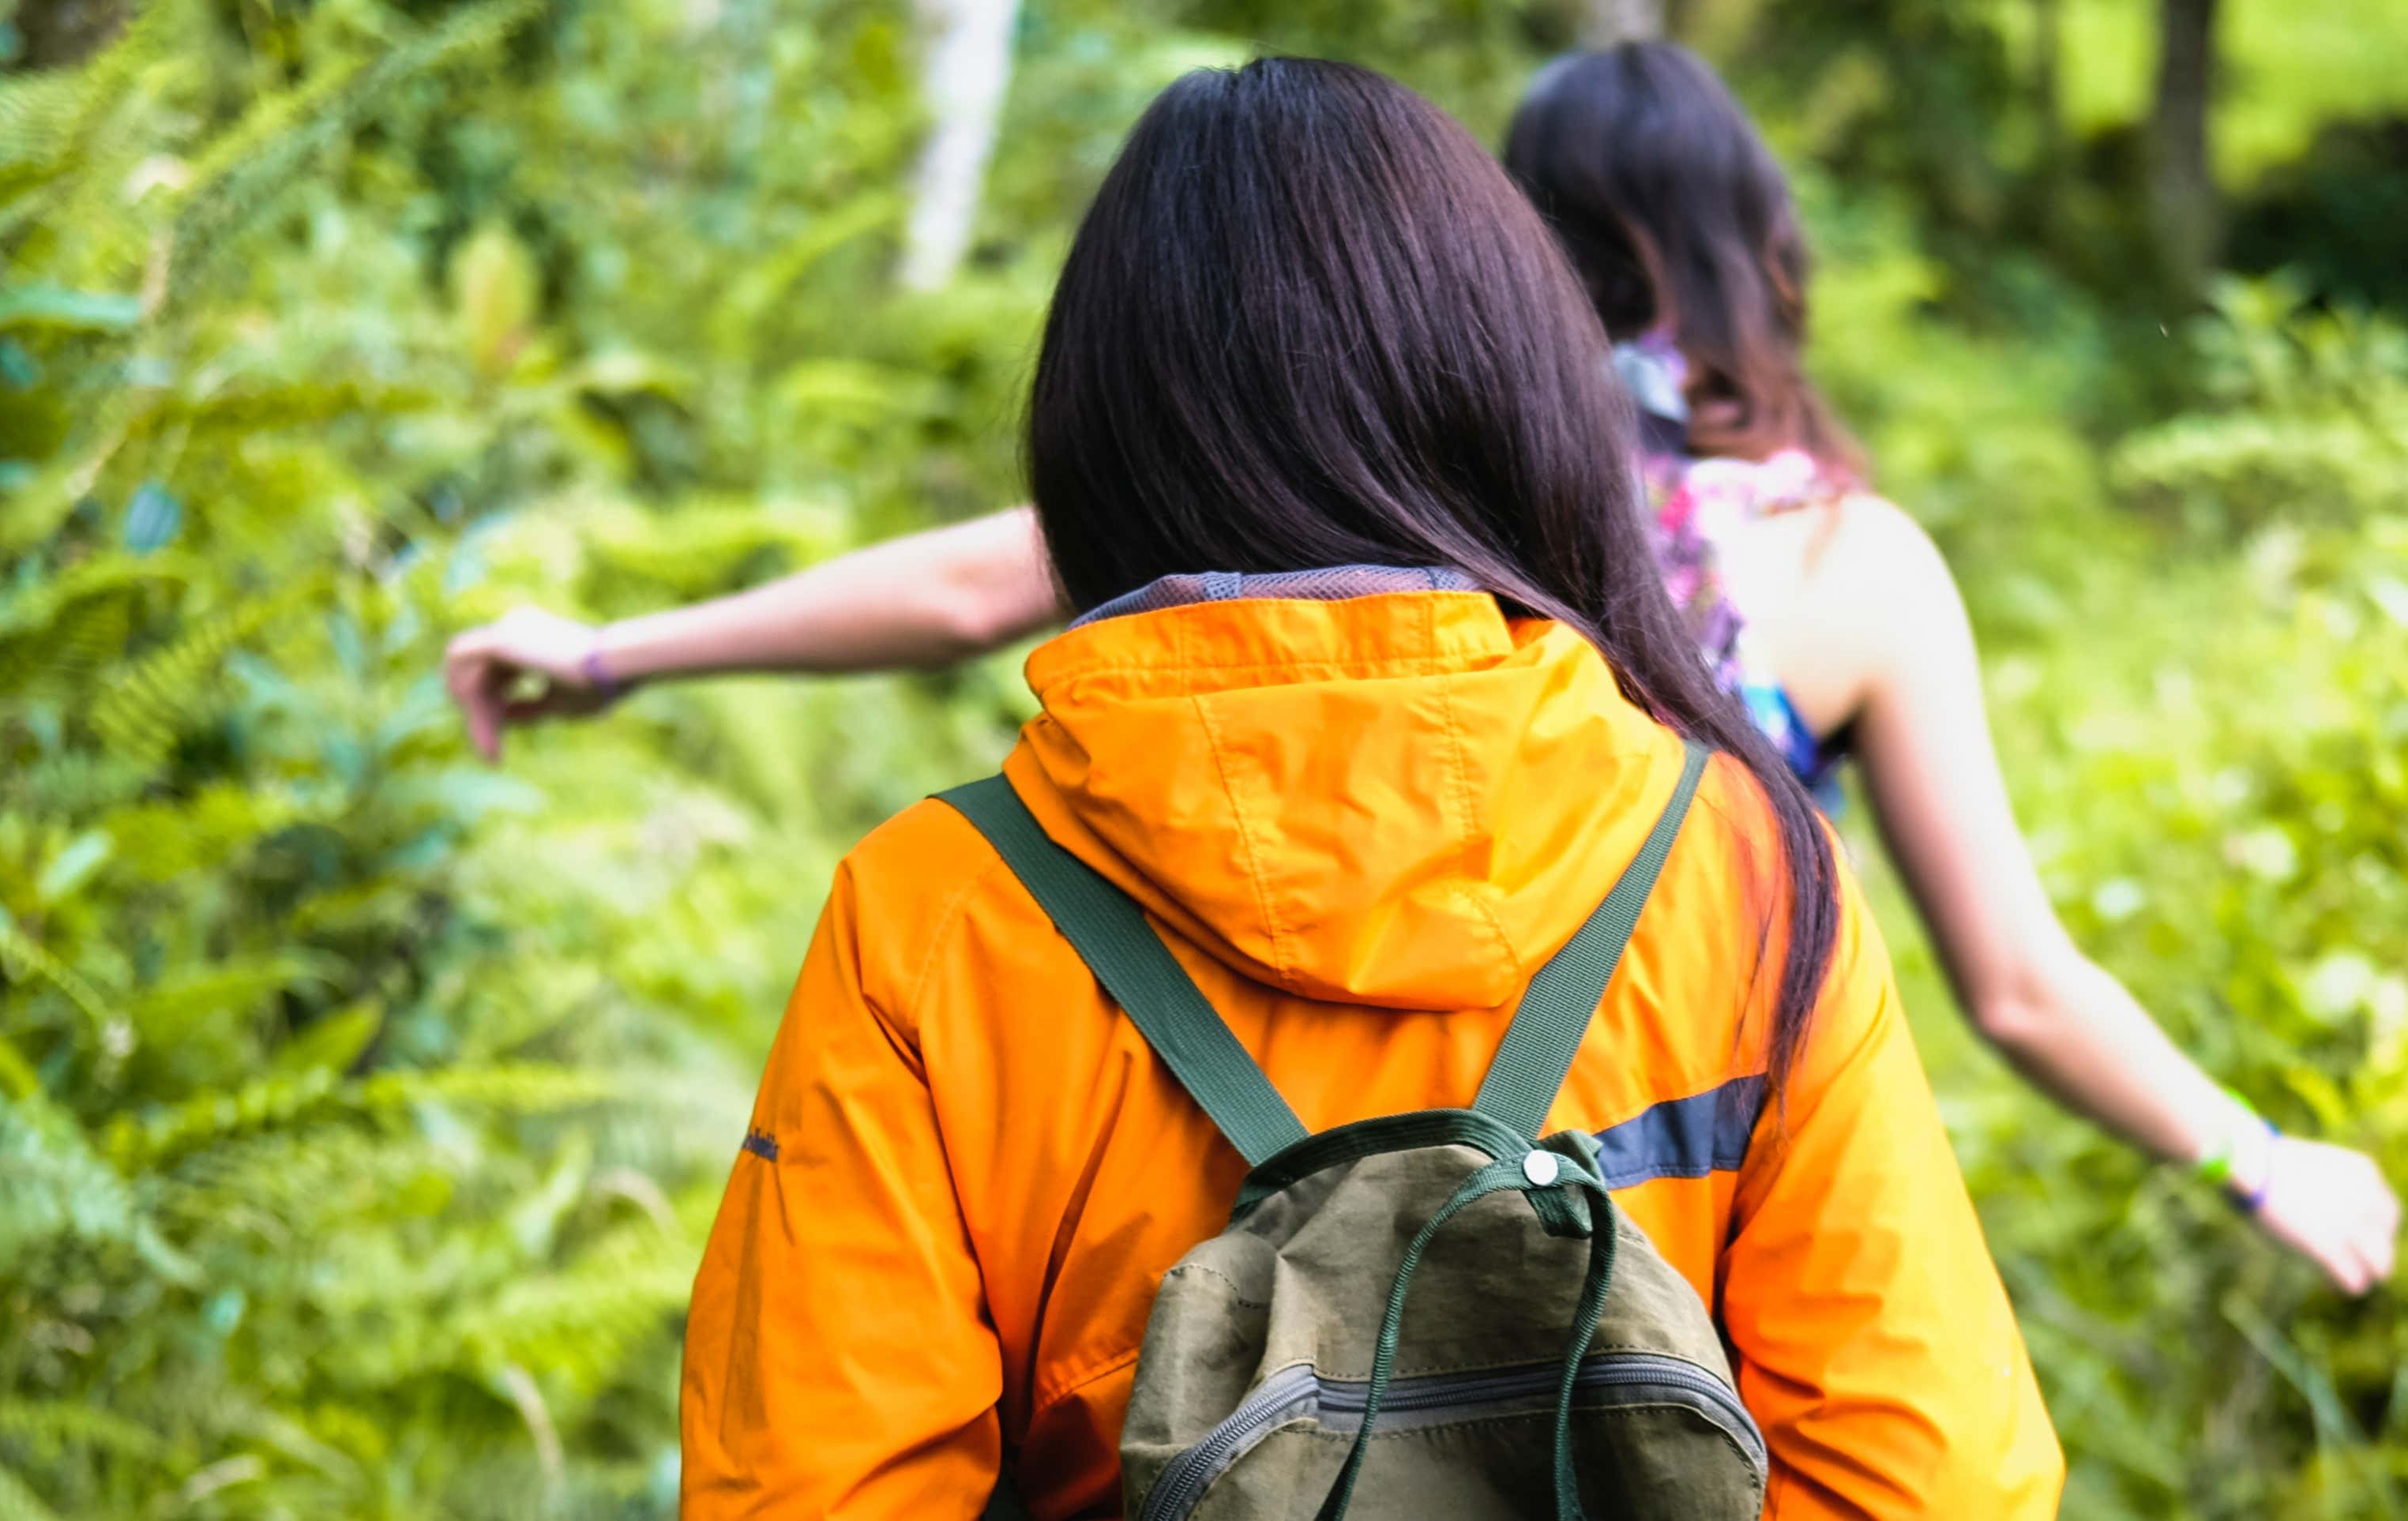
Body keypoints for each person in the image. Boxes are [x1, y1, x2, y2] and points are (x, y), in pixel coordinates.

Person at [449, 41, 2402, 1298]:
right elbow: (2020, 986)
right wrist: (2258, 1160)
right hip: (1675, 1241)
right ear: (1764, 252)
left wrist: (615, 653)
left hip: (1259, 1246)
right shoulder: (1843, 562)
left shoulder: (1347, 472)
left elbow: (977, 584)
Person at [663, 58, 2061, 1519]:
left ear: (1099, 435)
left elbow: (810, 1490)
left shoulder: (936, 923)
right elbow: (1933, 1480)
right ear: (1515, 394)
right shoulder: (1743, 869)